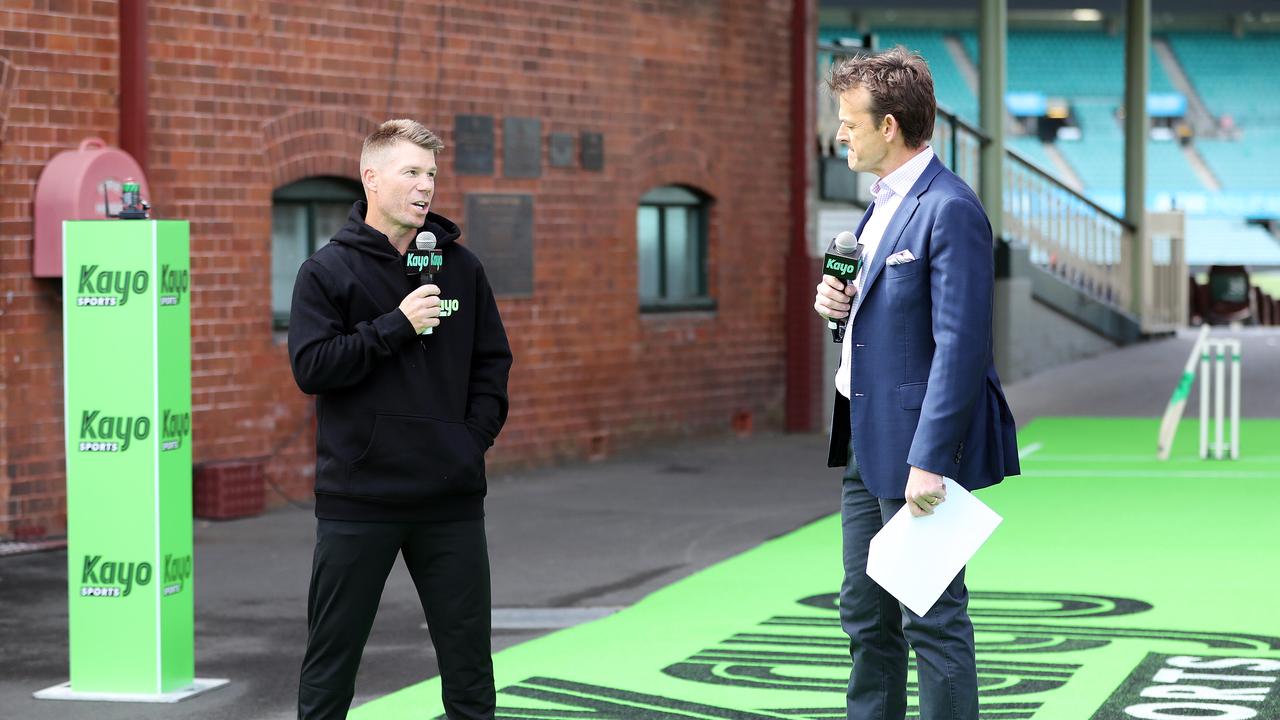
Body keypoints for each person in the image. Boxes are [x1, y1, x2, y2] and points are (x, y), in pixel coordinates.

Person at [812, 48, 1020, 720]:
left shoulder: (950, 208)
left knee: (929, 620)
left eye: (849, 121)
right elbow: (889, 328)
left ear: (891, 126)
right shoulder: (880, 206)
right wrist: (836, 312)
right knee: (867, 622)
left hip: (913, 455)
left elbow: (961, 347)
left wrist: (929, 460)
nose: (840, 133)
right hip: (861, 442)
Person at [289, 118, 513, 720]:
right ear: (371, 178)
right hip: (360, 498)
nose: (425, 186)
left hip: (450, 499)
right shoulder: (327, 271)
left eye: (431, 174)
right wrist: (396, 324)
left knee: (469, 670)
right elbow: (312, 367)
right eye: (410, 172)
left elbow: (492, 366)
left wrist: (468, 444)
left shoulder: (460, 268)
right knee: (332, 664)